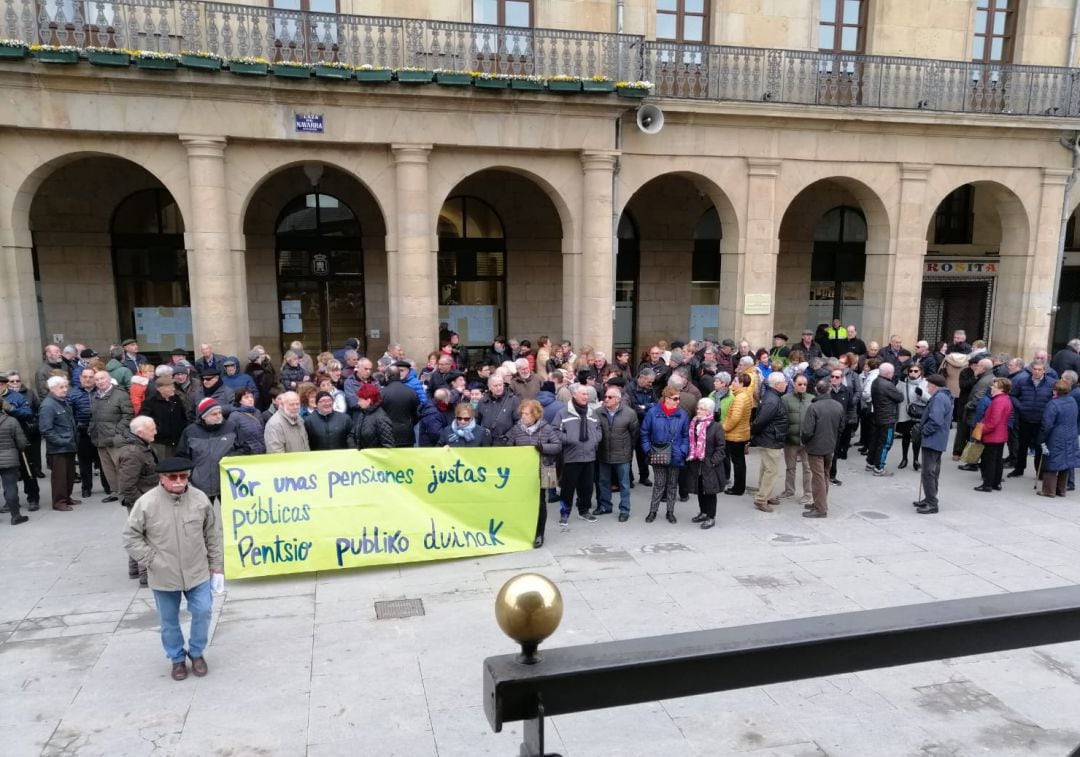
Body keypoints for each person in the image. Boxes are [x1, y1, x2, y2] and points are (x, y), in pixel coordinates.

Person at [123, 456, 223, 682]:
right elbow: (131, 537)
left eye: (183, 476)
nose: (179, 481)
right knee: (168, 620)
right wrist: (152, 561)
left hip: (197, 571)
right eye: (173, 477)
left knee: (203, 612)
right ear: (162, 478)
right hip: (164, 575)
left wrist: (216, 566)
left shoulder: (199, 500)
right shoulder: (146, 503)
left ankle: (196, 653)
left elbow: (212, 535)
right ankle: (177, 659)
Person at [508, 399, 562, 547]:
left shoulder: (546, 428)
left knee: (540, 502)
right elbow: (508, 447)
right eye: (522, 414)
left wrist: (543, 448)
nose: (523, 417)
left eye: (526, 414)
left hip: (546, 469)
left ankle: (539, 533)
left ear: (535, 415)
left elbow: (557, 446)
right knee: (524, 501)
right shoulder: (516, 429)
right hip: (524, 471)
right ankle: (525, 530)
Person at [116, 416, 160, 585]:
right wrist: (138, 504)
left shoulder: (143, 446)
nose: (155, 431)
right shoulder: (134, 452)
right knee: (145, 536)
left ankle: (134, 569)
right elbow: (127, 485)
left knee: (137, 533)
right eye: (152, 429)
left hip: (143, 497)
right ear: (140, 432)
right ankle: (145, 575)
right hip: (140, 500)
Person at [555, 383, 603, 526]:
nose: (586, 397)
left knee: (587, 487)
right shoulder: (563, 413)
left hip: (589, 456)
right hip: (571, 457)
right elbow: (555, 431)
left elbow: (598, 428)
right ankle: (564, 513)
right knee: (567, 489)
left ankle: (584, 511)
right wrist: (568, 439)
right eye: (583, 394)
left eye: (587, 394)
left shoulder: (592, 413)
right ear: (574, 395)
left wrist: (595, 439)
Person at [640, 385, 688, 523]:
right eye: (675, 398)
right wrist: (648, 450)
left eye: (679, 398)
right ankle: (653, 511)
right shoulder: (653, 413)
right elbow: (644, 433)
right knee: (659, 483)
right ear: (666, 398)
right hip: (658, 452)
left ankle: (670, 512)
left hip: (675, 454)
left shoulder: (682, 414)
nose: (678, 401)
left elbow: (686, 436)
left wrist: (683, 451)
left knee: (672, 484)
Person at [799, 379, 845, 518]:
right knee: (824, 475)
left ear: (816, 390)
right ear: (829, 390)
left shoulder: (814, 407)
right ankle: (820, 503)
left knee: (818, 477)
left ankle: (820, 508)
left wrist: (805, 442)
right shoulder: (838, 405)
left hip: (816, 447)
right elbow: (842, 426)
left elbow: (807, 431)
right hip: (830, 445)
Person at [594, 385, 639, 519]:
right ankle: (605, 506)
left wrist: (628, 449)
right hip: (604, 454)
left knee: (624, 484)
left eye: (610, 397)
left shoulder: (629, 413)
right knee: (603, 482)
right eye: (605, 396)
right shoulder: (598, 412)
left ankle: (624, 510)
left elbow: (635, 434)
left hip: (622, 455)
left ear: (618, 400)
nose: (606, 399)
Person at [89, 369, 133, 504]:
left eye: (102, 378)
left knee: (120, 467)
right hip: (100, 438)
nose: (100, 382)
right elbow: (93, 417)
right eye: (97, 380)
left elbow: (128, 414)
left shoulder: (120, 394)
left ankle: (126, 492)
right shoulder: (96, 396)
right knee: (107, 468)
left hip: (115, 438)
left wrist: (117, 431)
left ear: (109, 379)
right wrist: (91, 429)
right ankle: (115, 492)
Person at [38, 375, 79, 511]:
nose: (65, 389)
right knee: (59, 477)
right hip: (58, 448)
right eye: (61, 387)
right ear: (52, 389)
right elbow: (46, 429)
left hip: (69, 445)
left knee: (69, 474)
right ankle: (59, 501)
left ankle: (67, 497)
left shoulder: (62, 401)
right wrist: (61, 442)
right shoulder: (48, 405)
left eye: (66, 386)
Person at [914, 375, 953, 514]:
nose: (927, 388)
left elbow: (936, 420)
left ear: (934, 386)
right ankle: (930, 497)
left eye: (928, 385)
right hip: (937, 439)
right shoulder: (942, 396)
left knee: (928, 472)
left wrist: (924, 431)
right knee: (932, 470)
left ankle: (931, 502)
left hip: (933, 439)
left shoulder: (939, 398)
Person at [1009, 360, 1054, 480]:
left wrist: (1047, 411)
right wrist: (1020, 406)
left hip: (1041, 420)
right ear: (1031, 369)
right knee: (1022, 445)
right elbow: (1013, 395)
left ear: (1044, 370)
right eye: (1035, 369)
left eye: (1040, 369)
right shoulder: (1023, 381)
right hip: (1025, 418)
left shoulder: (1051, 383)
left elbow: (1054, 399)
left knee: (1039, 447)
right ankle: (1019, 469)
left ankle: (1039, 472)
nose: (1037, 372)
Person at [751, 372, 789, 512]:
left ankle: (764, 494)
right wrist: (753, 432)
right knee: (771, 470)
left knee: (766, 468)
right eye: (785, 382)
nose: (786, 384)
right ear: (777, 385)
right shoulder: (772, 400)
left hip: (771, 438)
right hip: (771, 439)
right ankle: (761, 499)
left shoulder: (772, 397)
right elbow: (760, 421)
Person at [686, 397, 726, 529]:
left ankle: (711, 516)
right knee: (700, 490)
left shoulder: (716, 427)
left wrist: (713, 462)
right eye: (698, 408)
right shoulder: (694, 424)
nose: (698, 411)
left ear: (709, 411)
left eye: (702, 409)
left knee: (710, 492)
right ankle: (703, 512)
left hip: (709, 465)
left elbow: (721, 448)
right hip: (697, 464)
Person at [1037, 380, 1079, 497]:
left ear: (1055, 390)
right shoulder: (1072, 401)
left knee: (1051, 461)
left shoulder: (1053, 404)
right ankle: (1061, 489)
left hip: (1056, 436)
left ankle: (1048, 490)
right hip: (1071, 434)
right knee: (1065, 462)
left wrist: (1041, 438)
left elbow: (1047, 424)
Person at [973, 377, 1013, 493]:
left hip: (993, 435)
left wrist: (981, 430)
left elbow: (993, 422)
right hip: (1000, 434)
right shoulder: (1005, 399)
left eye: (994, 386)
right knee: (997, 460)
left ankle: (987, 484)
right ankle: (996, 483)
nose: (991, 387)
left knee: (990, 460)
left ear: (1000, 388)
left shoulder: (998, 401)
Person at [780, 374, 813, 508]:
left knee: (808, 468)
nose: (802, 386)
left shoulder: (812, 399)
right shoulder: (785, 399)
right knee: (790, 467)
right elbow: (782, 419)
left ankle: (808, 493)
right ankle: (789, 490)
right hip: (790, 439)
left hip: (807, 441)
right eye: (799, 384)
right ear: (793, 384)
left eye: (805, 384)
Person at [138, 375, 190, 461]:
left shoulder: (176, 399)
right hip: (160, 443)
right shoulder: (150, 402)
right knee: (164, 467)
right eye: (170, 387)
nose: (173, 389)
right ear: (160, 388)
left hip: (178, 441)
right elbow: (143, 421)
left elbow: (183, 417)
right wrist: (158, 430)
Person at [867, 362, 903, 476]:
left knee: (876, 440)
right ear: (889, 373)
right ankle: (879, 467)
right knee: (886, 443)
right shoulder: (887, 385)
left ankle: (870, 462)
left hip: (878, 416)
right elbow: (900, 397)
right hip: (887, 418)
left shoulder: (876, 381)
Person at [722, 372, 752, 496]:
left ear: (741, 384)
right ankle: (740, 486)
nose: (732, 383)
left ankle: (738, 488)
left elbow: (735, 418)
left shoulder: (740, 398)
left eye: (735, 381)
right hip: (741, 432)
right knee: (740, 461)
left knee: (738, 462)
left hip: (736, 434)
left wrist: (724, 428)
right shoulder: (745, 395)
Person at [0, 397, 29, 525]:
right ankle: (15, 516)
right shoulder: (11, 421)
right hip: (9, 459)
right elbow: (22, 443)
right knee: (10, 487)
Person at [896, 363, 929, 471]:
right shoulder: (902, 382)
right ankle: (904, 458)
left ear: (920, 372)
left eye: (916, 371)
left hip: (918, 414)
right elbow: (896, 395)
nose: (913, 373)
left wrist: (922, 394)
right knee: (905, 437)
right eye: (911, 371)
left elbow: (931, 399)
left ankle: (916, 460)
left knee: (917, 438)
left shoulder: (925, 383)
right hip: (904, 413)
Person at [477, 375, 520, 447]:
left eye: (500, 385)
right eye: (495, 386)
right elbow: (476, 420)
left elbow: (518, 422)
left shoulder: (513, 400)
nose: (498, 388)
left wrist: (508, 436)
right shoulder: (482, 401)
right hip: (486, 442)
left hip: (506, 442)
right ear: (489, 387)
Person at [352, 384, 395, 449]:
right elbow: (354, 433)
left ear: (368, 401)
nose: (358, 403)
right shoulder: (363, 413)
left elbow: (389, 446)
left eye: (360, 400)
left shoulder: (381, 418)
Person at [230, 388, 267, 455]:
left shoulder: (257, 412)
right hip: (247, 454)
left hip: (262, 452)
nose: (250, 399)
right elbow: (233, 439)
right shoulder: (234, 416)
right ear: (240, 401)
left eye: (251, 397)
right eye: (246, 397)